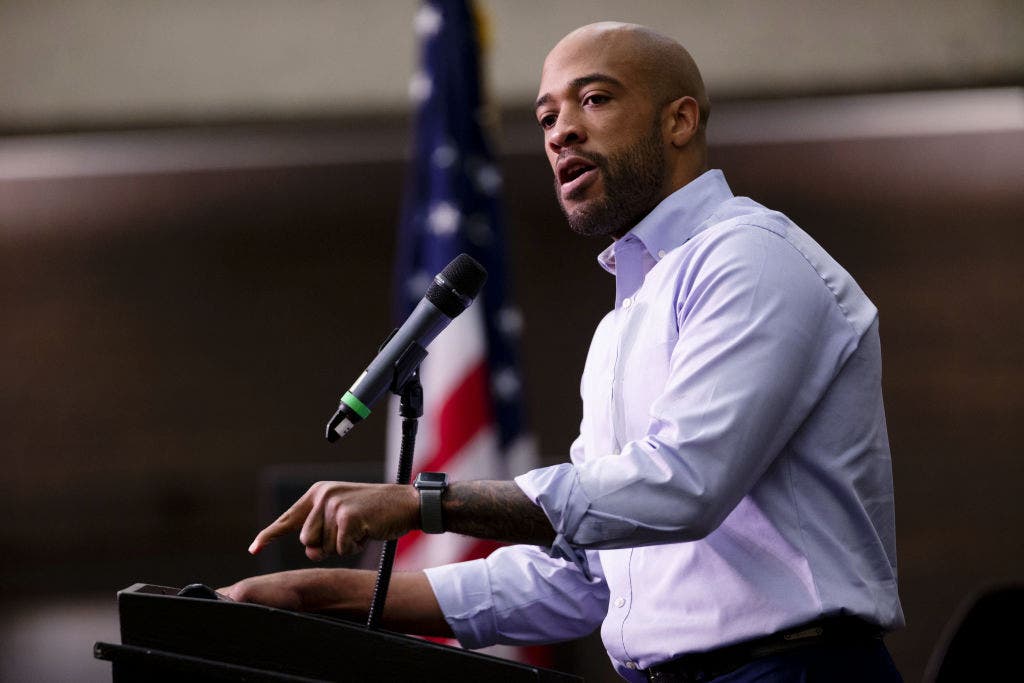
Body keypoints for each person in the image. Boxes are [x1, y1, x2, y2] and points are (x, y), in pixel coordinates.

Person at [222, 22, 905, 682]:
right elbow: (583, 574)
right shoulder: (622, 322)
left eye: (595, 98)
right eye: (547, 117)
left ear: (681, 121)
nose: (561, 132)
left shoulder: (748, 259)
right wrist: (328, 593)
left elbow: (682, 486)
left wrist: (427, 503)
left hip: (792, 669)